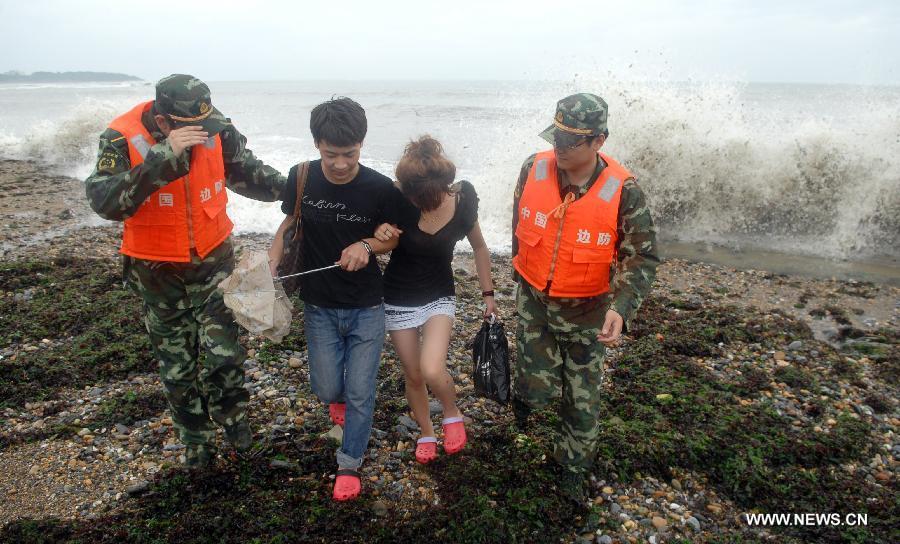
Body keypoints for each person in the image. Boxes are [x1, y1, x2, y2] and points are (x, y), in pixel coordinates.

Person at [85, 74, 287, 467]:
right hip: (156, 272)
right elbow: (105, 202)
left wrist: (295, 189)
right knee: (178, 367)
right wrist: (161, 158)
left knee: (225, 355)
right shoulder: (119, 137)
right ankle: (196, 441)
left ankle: (235, 425)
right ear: (163, 123)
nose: (204, 132)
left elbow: (244, 171)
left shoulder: (212, 123)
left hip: (213, 262)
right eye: (190, 128)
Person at [510, 93, 660, 503]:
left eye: (570, 142)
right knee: (536, 386)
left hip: (588, 311)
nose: (558, 148)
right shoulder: (533, 168)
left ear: (599, 141)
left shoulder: (624, 191)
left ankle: (572, 469)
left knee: (581, 398)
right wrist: (519, 275)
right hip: (535, 303)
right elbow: (519, 220)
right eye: (556, 137)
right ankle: (525, 403)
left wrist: (622, 308)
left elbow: (642, 254)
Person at [267, 97, 403, 502]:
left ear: (362, 144)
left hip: (366, 306)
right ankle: (337, 403)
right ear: (316, 144)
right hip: (318, 305)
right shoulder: (302, 177)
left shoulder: (380, 187)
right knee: (328, 388)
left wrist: (366, 243)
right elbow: (290, 222)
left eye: (349, 153)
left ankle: (350, 462)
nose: (341, 163)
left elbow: (394, 236)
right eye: (331, 154)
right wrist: (273, 257)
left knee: (361, 390)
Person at [372, 136, 495, 465]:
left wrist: (488, 295)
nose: (421, 203)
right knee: (413, 374)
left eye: (428, 198)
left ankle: (452, 413)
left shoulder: (463, 198)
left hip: (439, 294)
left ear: (446, 185)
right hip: (397, 295)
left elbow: (480, 248)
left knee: (431, 368)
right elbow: (373, 233)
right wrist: (381, 231)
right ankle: (426, 431)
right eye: (415, 198)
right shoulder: (397, 198)